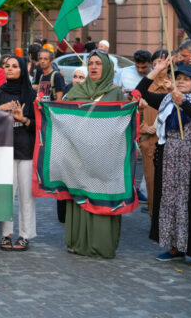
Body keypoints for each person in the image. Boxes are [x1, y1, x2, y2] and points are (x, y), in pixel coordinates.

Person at [137, 58, 191, 267]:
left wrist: (183, 102)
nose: (182, 82)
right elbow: (141, 93)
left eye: (187, 79)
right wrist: (155, 72)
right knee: (170, 202)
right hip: (169, 160)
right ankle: (175, 247)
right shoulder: (167, 100)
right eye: (179, 78)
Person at [62, 51, 126, 258]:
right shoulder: (76, 91)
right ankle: (77, 241)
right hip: (79, 157)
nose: (94, 67)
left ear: (107, 68)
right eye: (91, 63)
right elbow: (63, 119)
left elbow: (123, 124)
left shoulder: (116, 95)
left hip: (106, 158)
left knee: (103, 197)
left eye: (99, 63)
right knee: (81, 197)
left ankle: (101, 243)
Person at [0, 56, 37, 251]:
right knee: (5, 195)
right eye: (6, 66)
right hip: (4, 151)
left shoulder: (31, 96)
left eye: (14, 66)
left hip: (26, 150)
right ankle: (6, 235)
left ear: (22, 70)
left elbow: (38, 126)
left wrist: (23, 118)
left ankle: (25, 235)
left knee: (26, 196)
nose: (9, 69)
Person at [137, 50, 173, 219]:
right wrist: (144, 128)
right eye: (157, 62)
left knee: (171, 186)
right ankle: (154, 220)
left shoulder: (175, 87)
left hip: (172, 145)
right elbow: (133, 116)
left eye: (164, 63)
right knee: (151, 184)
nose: (161, 66)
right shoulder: (146, 87)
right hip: (150, 144)